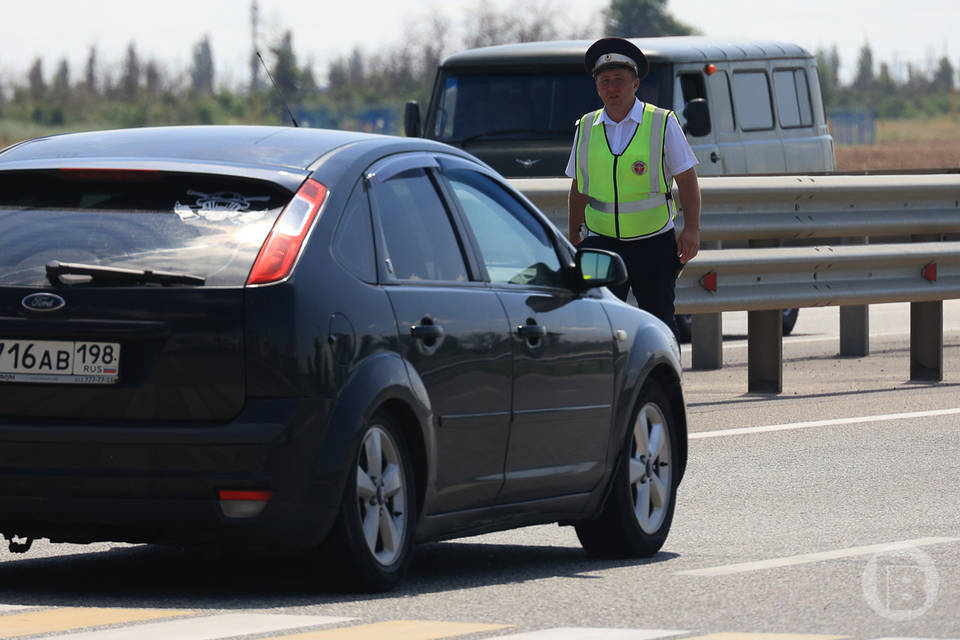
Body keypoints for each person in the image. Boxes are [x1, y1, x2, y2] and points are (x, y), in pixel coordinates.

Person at [566, 37, 701, 338]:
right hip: (601, 242)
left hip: (652, 242)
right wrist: (575, 233)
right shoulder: (586, 127)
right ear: (597, 86)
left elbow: (687, 179)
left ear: (635, 84)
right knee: (599, 323)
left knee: (659, 321)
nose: (612, 88)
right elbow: (579, 186)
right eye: (605, 81)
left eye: (619, 80)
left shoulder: (663, 123)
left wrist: (691, 228)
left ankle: (666, 384)